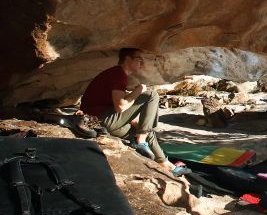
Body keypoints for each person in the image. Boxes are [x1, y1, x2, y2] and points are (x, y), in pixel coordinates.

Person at [79, 48, 188, 177]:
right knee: (151, 95)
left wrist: (135, 122)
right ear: (127, 59)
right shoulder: (117, 73)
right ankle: (141, 141)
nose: (141, 64)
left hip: (101, 123)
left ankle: (164, 163)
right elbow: (120, 106)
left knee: (146, 130)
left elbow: (114, 106)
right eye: (139, 59)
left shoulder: (118, 75)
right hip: (98, 120)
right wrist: (139, 89)